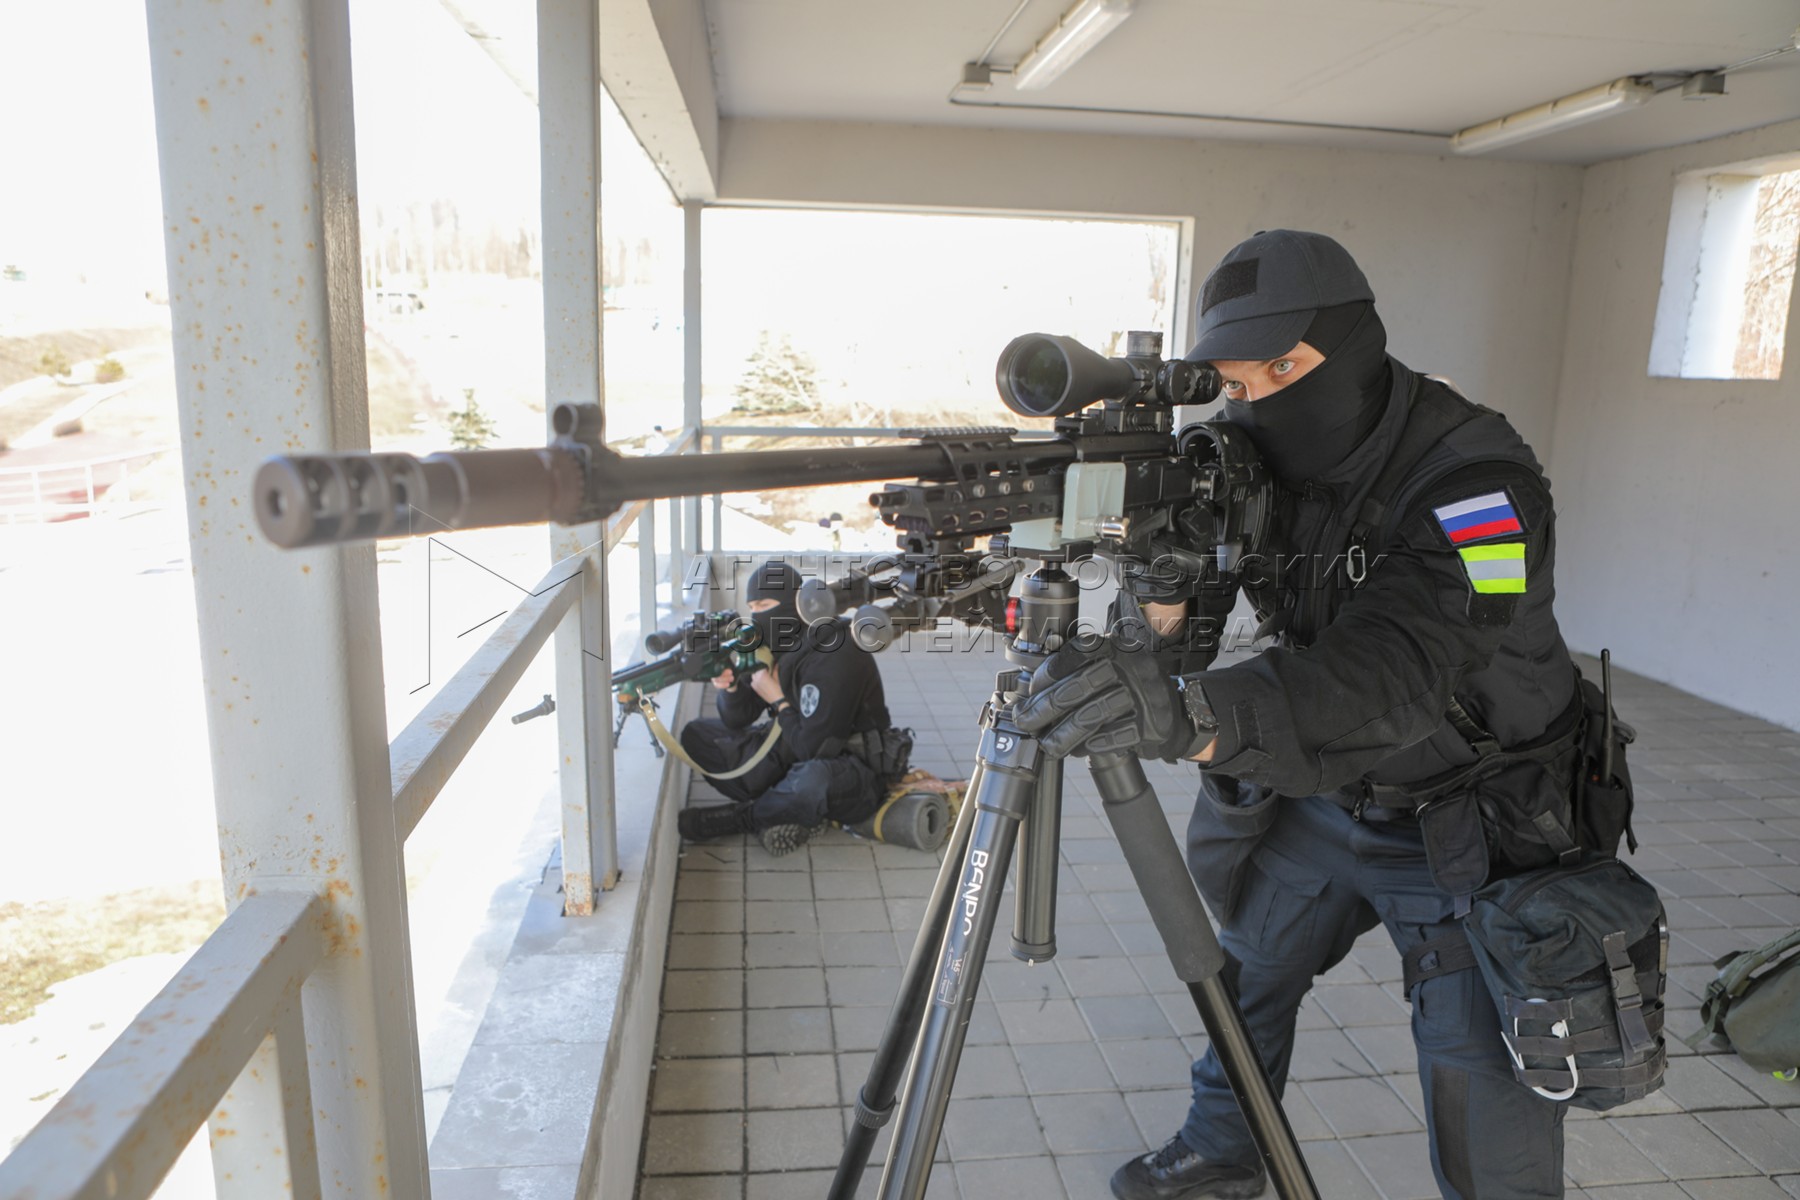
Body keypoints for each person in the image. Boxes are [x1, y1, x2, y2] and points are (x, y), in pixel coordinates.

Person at [1015, 230, 1581, 1200]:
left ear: (1354, 347)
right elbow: (1171, 652)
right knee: (1245, 978)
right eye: (1236, 381)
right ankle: (1222, 1150)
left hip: (1476, 822)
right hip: (1332, 797)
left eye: (1284, 369)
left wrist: (1191, 716)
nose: (1258, 399)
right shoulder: (1246, 460)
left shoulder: (1485, 491)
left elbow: (1403, 670)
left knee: (1481, 1072)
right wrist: (1162, 582)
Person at [676, 559, 891, 855]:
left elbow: (816, 749)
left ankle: (744, 818)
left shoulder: (837, 651)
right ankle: (787, 809)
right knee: (696, 735)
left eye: (764, 605)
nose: (756, 615)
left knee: (812, 780)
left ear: (797, 604)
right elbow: (738, 719)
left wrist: (777, 699)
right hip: (789, 748)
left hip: (852, 771)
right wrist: (731, 685)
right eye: (751, 606)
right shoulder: (779, 641)